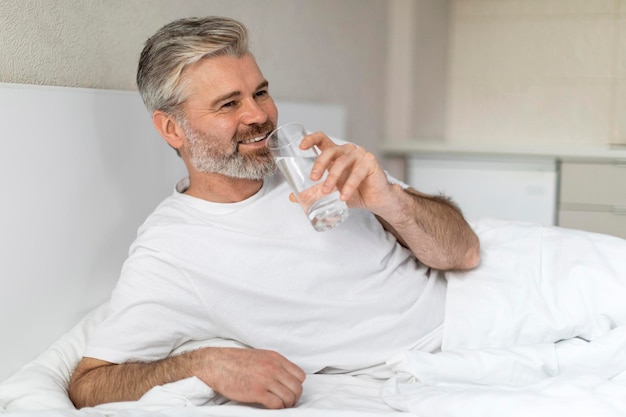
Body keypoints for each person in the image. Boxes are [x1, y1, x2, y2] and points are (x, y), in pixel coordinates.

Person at [68, 16, 480, 410]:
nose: (260, 116)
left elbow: (463, 253)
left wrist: (391, 200)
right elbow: (90, 383)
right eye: (229, 104)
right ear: (172, 129)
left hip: (483, 303)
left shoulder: (314, 157)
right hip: (444, 359)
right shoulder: (171, 250)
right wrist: (205, 363)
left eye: (260, 92)